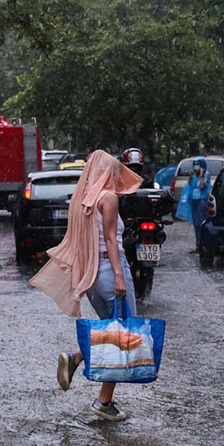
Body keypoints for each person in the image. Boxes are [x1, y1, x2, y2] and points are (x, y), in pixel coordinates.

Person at [29, 149, 144, 421]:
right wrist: (118, 274)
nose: (116, 177)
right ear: (106, 173)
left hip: (91, 275)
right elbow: (111, 241)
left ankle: (77, 358)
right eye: (114, 172)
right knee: (124, 336)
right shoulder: (108, 198)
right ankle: (103, 401)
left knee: (113, 332)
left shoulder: (83, 201)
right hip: (110, 270)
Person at [187, 156, 212, 252]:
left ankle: (203, 243)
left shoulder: (206, 174)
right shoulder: (194, 175)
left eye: (198, 164)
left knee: (201, 222)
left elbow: (202, 186)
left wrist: (201, 176)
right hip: (194, 200)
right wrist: (190, 176)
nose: (196, 166)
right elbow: (190, 185)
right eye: (195, 165)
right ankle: (198, 244)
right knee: (195, 223)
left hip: (202, 200)